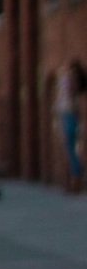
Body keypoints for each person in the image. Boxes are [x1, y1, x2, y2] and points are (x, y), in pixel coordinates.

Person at [55, 58, 86, 194]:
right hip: (70, 116)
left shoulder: (69, 79)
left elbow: (64, 96)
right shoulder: (74, 80)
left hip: (67, 115)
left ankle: (75, 181)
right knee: (73, 149)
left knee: (71, 150)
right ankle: (74, 180)